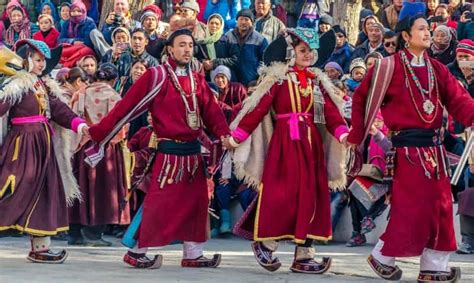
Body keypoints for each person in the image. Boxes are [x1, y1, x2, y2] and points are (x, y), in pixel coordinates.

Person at [347, 2, 474, 281]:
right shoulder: (387, 67)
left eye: (429, 29)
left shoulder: (437, 69)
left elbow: (459, 100)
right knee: (412, 208)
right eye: (421, 29)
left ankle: (434, 265)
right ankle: (382, 255)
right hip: (406, 151)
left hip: (435, 152)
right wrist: (356, 136)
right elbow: (360, 99)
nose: (428, 33)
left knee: (440, 206)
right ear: (406, 35)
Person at [85, 29, 229, 269]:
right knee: (159, 205)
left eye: (190, 45)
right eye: (181, 45)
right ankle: (136, 251)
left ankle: (193, 254)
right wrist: (99, 133)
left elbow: (212, 112)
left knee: (197, 203)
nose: (187, 49)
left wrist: (225, 134)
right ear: (170, 49)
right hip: (170, 155)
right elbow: (126, 107)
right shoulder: (157, 76)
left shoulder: (197, 79)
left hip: (193, 154)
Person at [223, 28, 349, 274]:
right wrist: (237, 137)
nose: (308, 56)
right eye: (303, 51)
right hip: (285, 145)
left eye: (311, 52)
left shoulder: (317, 80)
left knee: (312, 196)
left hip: (311, 146)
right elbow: (256, 110)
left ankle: (304, 255)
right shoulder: (277, 79)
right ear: (292, 52)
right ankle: (265, 244)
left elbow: (332, 115)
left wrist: (344, 134)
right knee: (282, 194)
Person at [0, 39, 88, 263]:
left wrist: (80, 124)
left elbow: (59, 110)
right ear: (26, 59)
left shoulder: (45, 85)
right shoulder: (16, 84)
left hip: (44, 145)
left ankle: (40, 248)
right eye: (37, 60)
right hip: (22, 145)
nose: (41, 65)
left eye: (43, 61)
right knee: (12, 190)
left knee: (45, 194)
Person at [68, 63, 130, 247]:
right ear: (114, 80)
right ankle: (94, 234)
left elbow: (72, 118)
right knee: (101, 189)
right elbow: (122, 126)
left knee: (80, 186)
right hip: (105, 148)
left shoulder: (80, 93)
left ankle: (74, 232)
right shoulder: (114, 96)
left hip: (82, 145)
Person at [224, 9, 268, 86]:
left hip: (252, 82)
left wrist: (257, 75)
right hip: (231, 81)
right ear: (237, 21)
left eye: (246, 19)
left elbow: (265, 60)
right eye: (241, 19)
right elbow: (223, 57)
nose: (243, 22)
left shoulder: (260, 39)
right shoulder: (228, 36)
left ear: (252, 22)